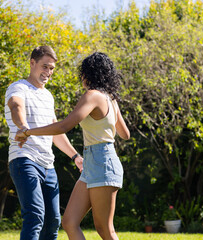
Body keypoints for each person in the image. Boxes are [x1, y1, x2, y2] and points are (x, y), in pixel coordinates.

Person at [16, 52, 130, 240]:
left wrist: (28, 132)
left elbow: (64, 126)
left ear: (88, 74)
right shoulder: (110, 98)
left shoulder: (92, 96)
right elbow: (125, 134)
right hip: (93, 162)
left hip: (103, 162)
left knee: (104, 229)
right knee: (69, 221)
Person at [5, 46, 83, 240]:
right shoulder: (18, 87)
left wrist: (75, 156)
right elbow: (16, 106)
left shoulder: (48, 96)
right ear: (32, 63)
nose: (48, 72)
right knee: (35, 216)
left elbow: (55, 130)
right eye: (44, 66)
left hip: (48, 165)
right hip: (25, 159)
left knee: (53, 221)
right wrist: (23, 127)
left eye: (52, 69)